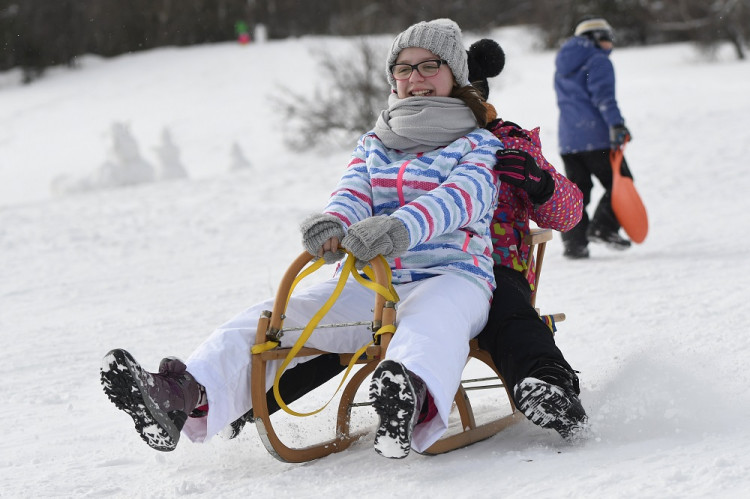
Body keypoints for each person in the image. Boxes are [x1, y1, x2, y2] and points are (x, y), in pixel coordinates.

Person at [100, 18, 503, 460]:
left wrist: (400, 227)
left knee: (432, 324)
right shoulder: (376, 143)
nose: (415, 78)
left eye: (429, 66)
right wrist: (333, 222)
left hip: (451, 276)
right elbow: (354, 191)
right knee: (277, 316)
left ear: (456, 75)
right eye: (403, 69)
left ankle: (405, 399)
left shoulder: (479, 144)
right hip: (373, 283)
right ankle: (181, 393)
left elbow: (461, 198)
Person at [230, 39, 590, 442]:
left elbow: (570, 213)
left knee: (509, 318)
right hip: (405, 265)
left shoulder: (506, 141)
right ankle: (245, 400)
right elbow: (361, 194)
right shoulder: (401, 139)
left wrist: (539, 183)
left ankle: (550, 388)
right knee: (351, 326)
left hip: (493, 266)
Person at [554, 17, 633, 259]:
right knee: (621, 183)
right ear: (594, 38)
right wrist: (617, 125)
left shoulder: (564, 65)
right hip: (595, 138)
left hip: (569, 139)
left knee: (578, 192)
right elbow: (604, 98)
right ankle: (603, 227)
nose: (610, 43)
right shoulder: (597, 61)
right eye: (606, 37)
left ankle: (574, 244)